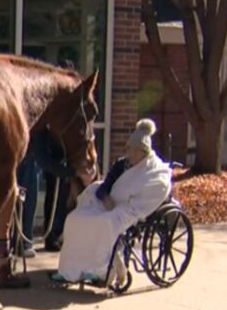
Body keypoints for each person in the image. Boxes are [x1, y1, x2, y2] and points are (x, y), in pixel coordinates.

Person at [52, 118, 172, 284]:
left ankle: (102, 272)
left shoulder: (153, 170)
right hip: (109, 204)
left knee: (104, 223)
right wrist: (106, 198)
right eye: (130, 149)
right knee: (75, 219)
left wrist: (125, 200)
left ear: (145, 152)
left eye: (136, 151)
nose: (131, 154)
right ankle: (70, 270)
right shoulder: (121, 166)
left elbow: (152, 191)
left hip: (129, 209)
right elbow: (105, 186)